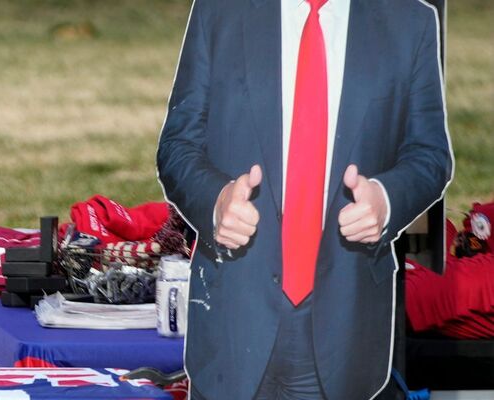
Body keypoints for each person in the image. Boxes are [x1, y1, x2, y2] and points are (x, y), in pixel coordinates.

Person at [156, 0, 452, 399]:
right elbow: (177, 146)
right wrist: (216, 200)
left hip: (348, 323)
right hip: (233, 319)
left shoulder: (410, 21)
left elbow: (430, 155)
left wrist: (385, 199)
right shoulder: (221, 11)